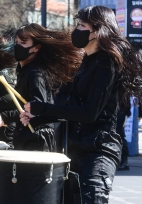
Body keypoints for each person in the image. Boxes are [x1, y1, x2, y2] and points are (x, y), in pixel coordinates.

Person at [21, 6, 142, 203]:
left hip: (99, 150)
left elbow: (89, 113)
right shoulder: (87, 61)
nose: (75, 30)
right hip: (78, 148)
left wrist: (43, 108)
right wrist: (39, 115)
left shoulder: (106, 63)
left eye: (81, 25)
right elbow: (73, 108)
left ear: (98, 31)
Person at [0, 23, 81, 151]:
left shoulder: (36, 73)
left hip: (37, 136)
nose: (17, 45)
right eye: (16, 41)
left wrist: (5, 117)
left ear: (36, 48)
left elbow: (37, 106)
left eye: (23, 42)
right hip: (25, 133)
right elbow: (21, 102)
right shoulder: (24, 71)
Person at [117, 96, 131, 171]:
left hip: (120, 114)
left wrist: (126, 113)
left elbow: (127, 104)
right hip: (113, 113)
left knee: (120, 137)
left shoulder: (123, 87)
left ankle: (124, 161)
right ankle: (121, 160)